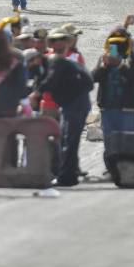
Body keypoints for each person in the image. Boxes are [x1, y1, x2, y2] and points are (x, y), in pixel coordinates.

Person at [34, 28, 93, 187]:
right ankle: (68, 176)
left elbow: (50, 80)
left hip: (74, 106)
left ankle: (65, 177)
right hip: (72, 105)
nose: (57, 43)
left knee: (69, 141)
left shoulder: (60, 61)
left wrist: (36, 93)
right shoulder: (60, 60)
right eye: (55, 40)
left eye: (61, 40)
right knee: (68, 141)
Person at [91, 29, 134, 160]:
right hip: (108, 108)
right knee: (109, 142)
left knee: (127, 141)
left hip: (127, 109)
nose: (117, 47)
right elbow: (93, 78)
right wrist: (103, 66)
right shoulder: (106, 58)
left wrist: (120, 65)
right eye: (113, 43)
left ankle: (126, 170)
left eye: (120, 43)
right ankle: (111, 169)